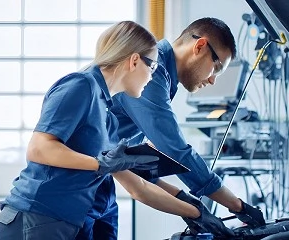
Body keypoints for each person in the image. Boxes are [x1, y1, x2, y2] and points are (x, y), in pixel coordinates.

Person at [0, 20, 216, 240]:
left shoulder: (107, 111)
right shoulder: (81, 85)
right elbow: (39, 149)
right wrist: (100, 164)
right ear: (135, 61)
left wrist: (195, 211)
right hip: (36, 217)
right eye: (153, 67)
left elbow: (137, 186)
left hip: (65, 221)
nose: (152, 76)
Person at [109, 17, 266, 234]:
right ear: (200, 46)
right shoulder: (149, 71)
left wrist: (187, 202)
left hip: (100, 187)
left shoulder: (161, 76)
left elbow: (129, 159)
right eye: (217, 67)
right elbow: (176, 151)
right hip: (70, 189)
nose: (213, 80)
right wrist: (237, 206)